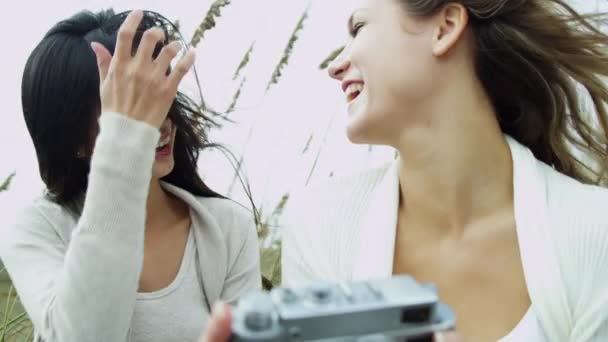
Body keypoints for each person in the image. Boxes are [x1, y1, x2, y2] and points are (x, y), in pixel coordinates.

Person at [204, 0, 608, 341]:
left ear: (444, 28)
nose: (335, 65)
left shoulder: (594, 232)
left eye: (359, 28)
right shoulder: (321, 223)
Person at [0, 9, 261, 342]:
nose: (161, 122)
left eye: (158, 96)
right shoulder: (37, 228)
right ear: (75, 138)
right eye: (126, 105)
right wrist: (125, 140)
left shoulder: (228, 229)